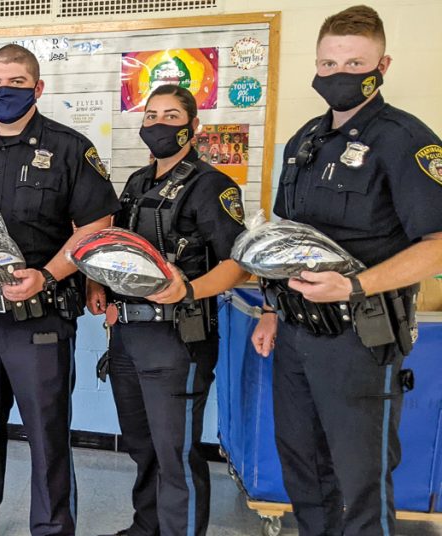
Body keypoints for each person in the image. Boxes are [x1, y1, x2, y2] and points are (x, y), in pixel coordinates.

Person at [250, 6, 442, 535]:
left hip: (359, 337)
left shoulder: (405, 141)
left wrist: (354, 284)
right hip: (293, 333)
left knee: (359, 481)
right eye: (329, 64)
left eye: (355, 63)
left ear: (383, 64)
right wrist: (269, 309)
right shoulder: (303, 142)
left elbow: (438, 245)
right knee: (304, 472)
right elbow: (284, 241)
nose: (340, 74)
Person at [0, 44, 121, 536]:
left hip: (41, 317)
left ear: (37, 88)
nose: (1, 91)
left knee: (47, 433)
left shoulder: (71, 148)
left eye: (14, 82)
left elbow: (96, 225)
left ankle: (52, 527)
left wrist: (48, 275)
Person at [87, 85, 249, 536]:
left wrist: (188, 291)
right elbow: (116, 244)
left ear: (193, 127)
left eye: (172, 115)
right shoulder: (138, 182)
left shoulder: (213, 186)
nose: (159, 124)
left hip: (179, 339)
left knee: (175, 451)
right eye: (152, 115)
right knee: (142, 445)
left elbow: (238, 262)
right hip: (127, 336)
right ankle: (148, 525)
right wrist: (96, 280)